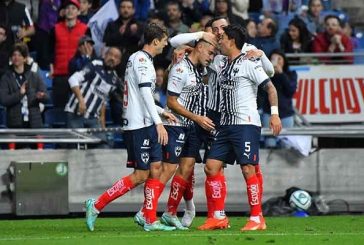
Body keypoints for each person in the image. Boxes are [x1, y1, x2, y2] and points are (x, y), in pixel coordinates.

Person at [85, 23, 177, 232]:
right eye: (163, 41)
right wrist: (159, 122)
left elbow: (141, 96)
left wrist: (162, 111)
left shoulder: (138, 59)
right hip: (139, 126)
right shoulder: (143, 60)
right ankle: (96, 205)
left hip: (145, 122)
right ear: (155, 41)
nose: (165, 45)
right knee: (141, 175)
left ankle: (149, 219)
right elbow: (144, 94)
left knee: (155, 169)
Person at [197, 25, 282, 231]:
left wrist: (275, 114)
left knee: (247, 169)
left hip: (245, 123)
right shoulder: (222, 63)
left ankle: (256, 218)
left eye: (223, 38)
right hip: (224, 125)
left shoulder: (249, 63)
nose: (220, 41)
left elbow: (270, 88)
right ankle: (218, 217)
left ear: (232, 41)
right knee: (211, 166)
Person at [0, 43, 49, 149]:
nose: (16, 58)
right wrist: (20, 94)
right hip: (15, 123)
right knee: (16, 159)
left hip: (34, 122)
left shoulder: (34, 76)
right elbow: (4, 100)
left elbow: (47, 97)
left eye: (19, 55)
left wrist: (41, 96)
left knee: (37, 159)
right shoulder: (6, 78)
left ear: (25, 58)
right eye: (14, 55)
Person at [64, 46, 122, 131]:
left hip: (93, 118)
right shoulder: (95, 65)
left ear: (118, 62)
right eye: (110, 54)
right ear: (105, 55)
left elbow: (103, 100)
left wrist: (102, 123)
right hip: (76, 113)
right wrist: (81, 100)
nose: (112, 58)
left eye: (116, 57)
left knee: (103, 143)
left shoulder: (114, 79)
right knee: (76, 142)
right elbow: (73, 79)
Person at [49, 0, 88, 108]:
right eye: (67, 8)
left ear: (78, 12)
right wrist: (52, 68)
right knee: (59, 109)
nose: (70, 11)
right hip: (60, 75)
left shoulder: (85, 29)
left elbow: (88, 52)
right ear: (63, 11)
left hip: (79, 75)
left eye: (73, 8)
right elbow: (50, 50)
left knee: (78, 108)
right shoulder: (55, 29)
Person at [262, 49, 297, 148]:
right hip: (269, 112)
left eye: (279, 59)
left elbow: (290, 90)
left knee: (286, 144)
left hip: (286, 114)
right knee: (269, 142)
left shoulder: (291, 74)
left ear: (284, 60)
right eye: (273, 59)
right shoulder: (264, 74)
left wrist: (281, 73)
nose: (276, 61)